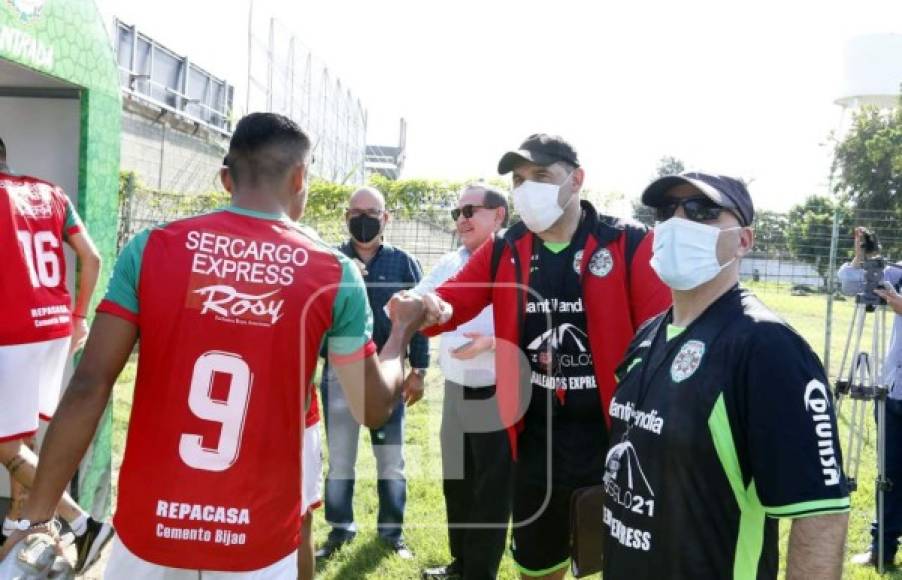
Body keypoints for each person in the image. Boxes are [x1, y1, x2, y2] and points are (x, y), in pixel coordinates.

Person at [1, 112, 426, 579]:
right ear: (301, 176)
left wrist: (34, 515)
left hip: (151, 530)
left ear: (229, 175)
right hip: (257, 537)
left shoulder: (151, 247)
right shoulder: (332, 271)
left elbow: (89, 386)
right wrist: (402, 332)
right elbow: (371, 408)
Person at [399, 134, 670, 579]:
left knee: (621, 561)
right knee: (538, 564)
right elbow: (452, 301)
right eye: (519, 179)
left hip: (616, 439)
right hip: (534, 442)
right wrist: (422, 306)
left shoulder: (628, 243)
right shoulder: (507, 247)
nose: (527, 188)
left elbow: (663, 335)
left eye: (542, 176)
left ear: (577, 180)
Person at [603, 172, 850, 579]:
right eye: (667, 211)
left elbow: (820, 514)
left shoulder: (767, 347)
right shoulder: (648, 334)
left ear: (744, 240)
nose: (678, 222)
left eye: (702, 211)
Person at [0, 135, 109, 573]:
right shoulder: (51, 193)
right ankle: (15, 531)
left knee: (7, 446)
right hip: (53, 326)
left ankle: (84, 525)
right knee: (22, 434)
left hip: (12, 331)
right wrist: (80, 315)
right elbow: (92, 258)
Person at [316, 186, 429, 561]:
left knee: (391, 461)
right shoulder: (328, 261)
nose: (363, 219)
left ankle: (391, 534)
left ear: (386, 218)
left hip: (389, 374)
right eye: (356, 212)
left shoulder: (405, 263)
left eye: (372, 212)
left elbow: (420, 321)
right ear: (346, 217)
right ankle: (340, 529)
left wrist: (420, 370)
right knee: (341, 460)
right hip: (338, 374)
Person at [415, 184, 511, 580]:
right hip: (455, 387)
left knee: (490, 489)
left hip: (497, 390)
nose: (462, 219)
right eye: (458, 212)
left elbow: (542, 324)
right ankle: (461, 563)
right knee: (457, 479)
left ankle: (480, 572)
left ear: (499, 215)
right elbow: (422, 299)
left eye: (472, 210)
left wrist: (495, 342)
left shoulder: (517, 260)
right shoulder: (451, 261)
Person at [840, 227, 902, 568]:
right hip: (893, 389)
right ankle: (882, 547)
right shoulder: (899, 271)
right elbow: (853, 285)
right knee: (888, 472)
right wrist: (864, 257)